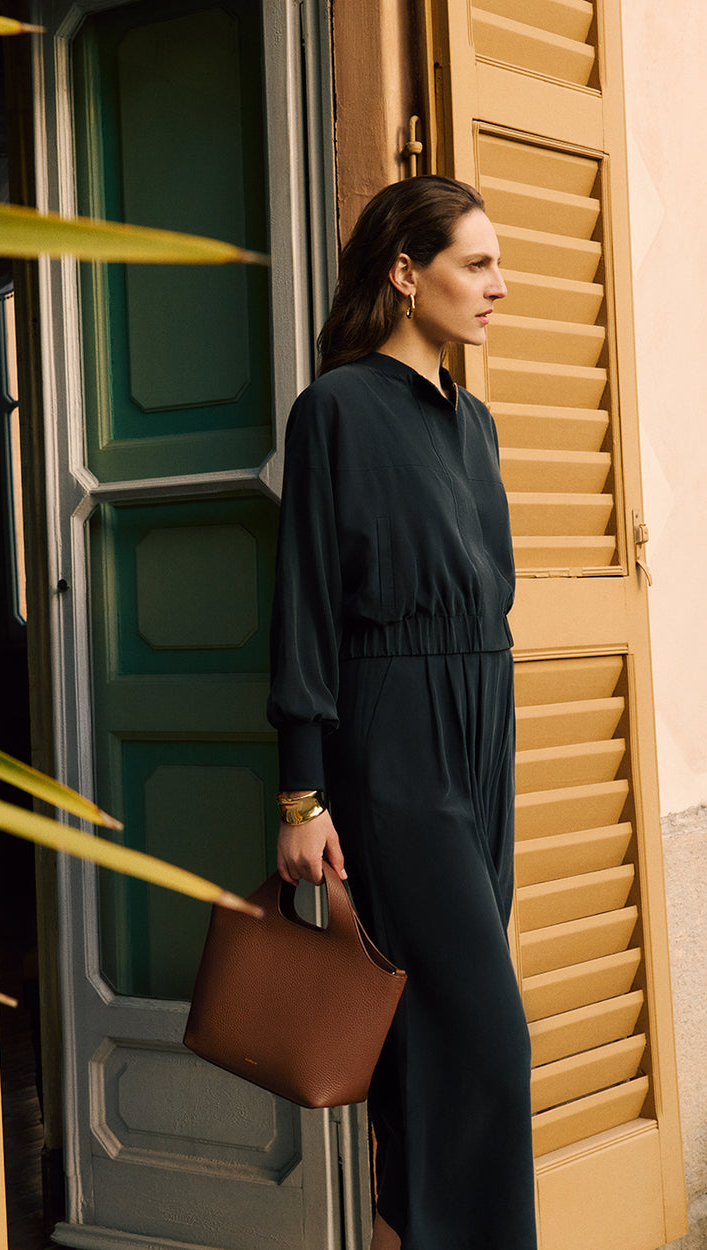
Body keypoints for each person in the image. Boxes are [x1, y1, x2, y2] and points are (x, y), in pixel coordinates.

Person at [267, 175, 538, 1250]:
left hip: (481, 734)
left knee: (429, 1047)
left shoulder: (475, 426)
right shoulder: (334, 409)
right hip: (395, 745)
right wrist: (302, 790)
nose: (499, 288)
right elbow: (302, 615)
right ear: (401, 271)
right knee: (489, 1040)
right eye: (475, 263)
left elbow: (489, 597)